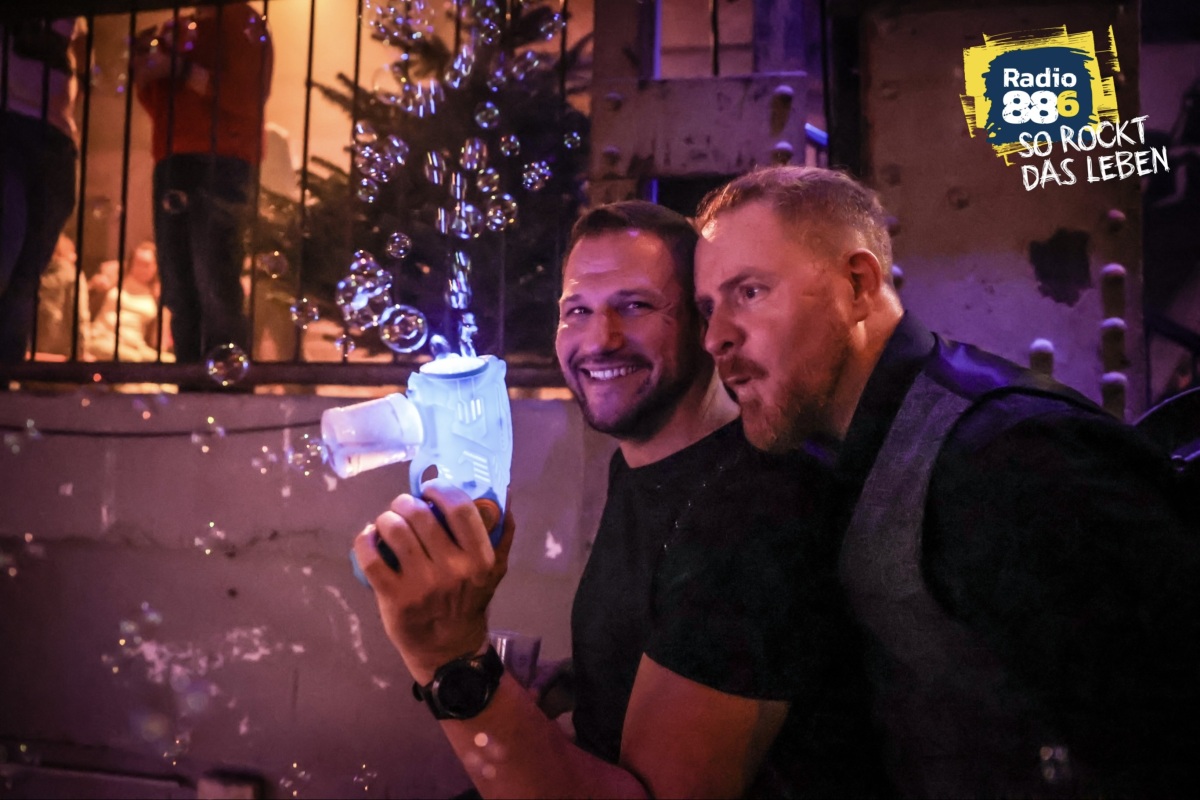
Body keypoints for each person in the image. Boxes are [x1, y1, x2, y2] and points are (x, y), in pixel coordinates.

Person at [693, 164, 1200, 798]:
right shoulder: (851, 451)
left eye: (750, 292)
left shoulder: (1006, 464)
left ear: (858, 284)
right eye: (708, 308)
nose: (716, 337)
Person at [353, 201, 883, 797]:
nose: (600, 340)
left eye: (635, 306)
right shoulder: (646, 465)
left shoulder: (753, 512)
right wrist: (572, 686)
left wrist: (451, 659)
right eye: (577, 310)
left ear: (702, 322)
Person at [133, 2, 272, 363]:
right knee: (178, 282)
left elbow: (246, 96)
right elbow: (159, 103)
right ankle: (194, 376)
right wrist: (146, 73)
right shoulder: (176, 27)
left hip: (221, 160)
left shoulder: (241, 21)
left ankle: (222, 382)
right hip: (177, 159)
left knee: (215, 279)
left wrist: (177, 70)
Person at [0, 15, 86, 363]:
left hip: (56, 136)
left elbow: (78, 64)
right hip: (10, 121)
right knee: (8, 252)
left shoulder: (77, 20)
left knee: (27, 273)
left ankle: (6, 374)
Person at [87, 241, 173, 363]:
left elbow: (159, 339)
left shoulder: (156, 294)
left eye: (146, 265)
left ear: (156, 267)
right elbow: (87, 294)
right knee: (131, 359)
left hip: (135, 345)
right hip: (104, 338)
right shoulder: (115, 277)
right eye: (137, 263)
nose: (141, 269)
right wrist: (94, 286)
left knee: (169, 361)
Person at [35, 233, 90, 359]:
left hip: (31, 349)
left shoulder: (34, 274)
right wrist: (81, 349)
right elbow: (79, 314)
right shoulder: (72, 275)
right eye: (72, 252)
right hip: (61, 351)